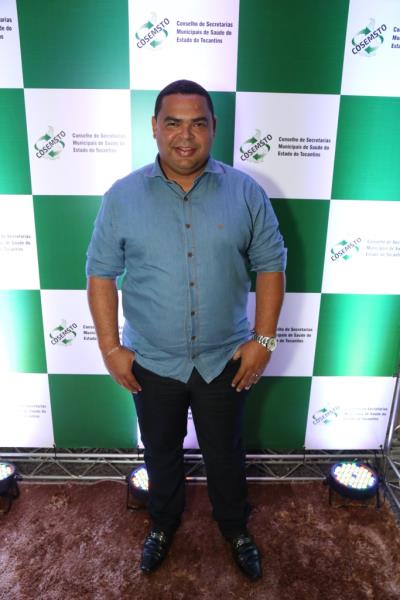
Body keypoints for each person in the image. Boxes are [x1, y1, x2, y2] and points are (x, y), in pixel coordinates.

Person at [86, 80, 286, 581]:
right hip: (152, 360)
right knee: (160, 452)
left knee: (226, 453)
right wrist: (110, 348)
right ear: (154, 127)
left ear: (214, 127)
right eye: (173, 123)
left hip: (225, 360)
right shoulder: (122, 196)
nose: (185, 135)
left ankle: (234, 528)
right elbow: (101, 274)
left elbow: (271, 264)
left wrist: (263, 342)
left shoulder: (245, 192)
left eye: (198, 123)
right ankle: (162, 523)